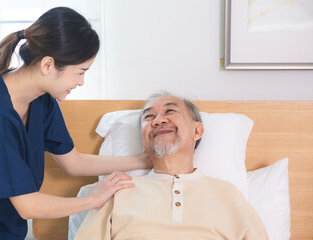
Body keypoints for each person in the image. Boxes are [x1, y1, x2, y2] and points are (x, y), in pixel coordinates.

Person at [0, 7, 150, 240]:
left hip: (0, 230)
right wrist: (91, 200)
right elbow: (28, 206)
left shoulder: (42, 101)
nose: (81, 82)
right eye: (80, 72)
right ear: (48, 65)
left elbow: (74, 162)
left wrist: (143, 160)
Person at [74, 92, 269, 240]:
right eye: (149, 117)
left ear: (197, 130)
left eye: (170, 111)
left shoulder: (228, 194)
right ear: (144, 141)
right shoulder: (115, 192)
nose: (159, 120)